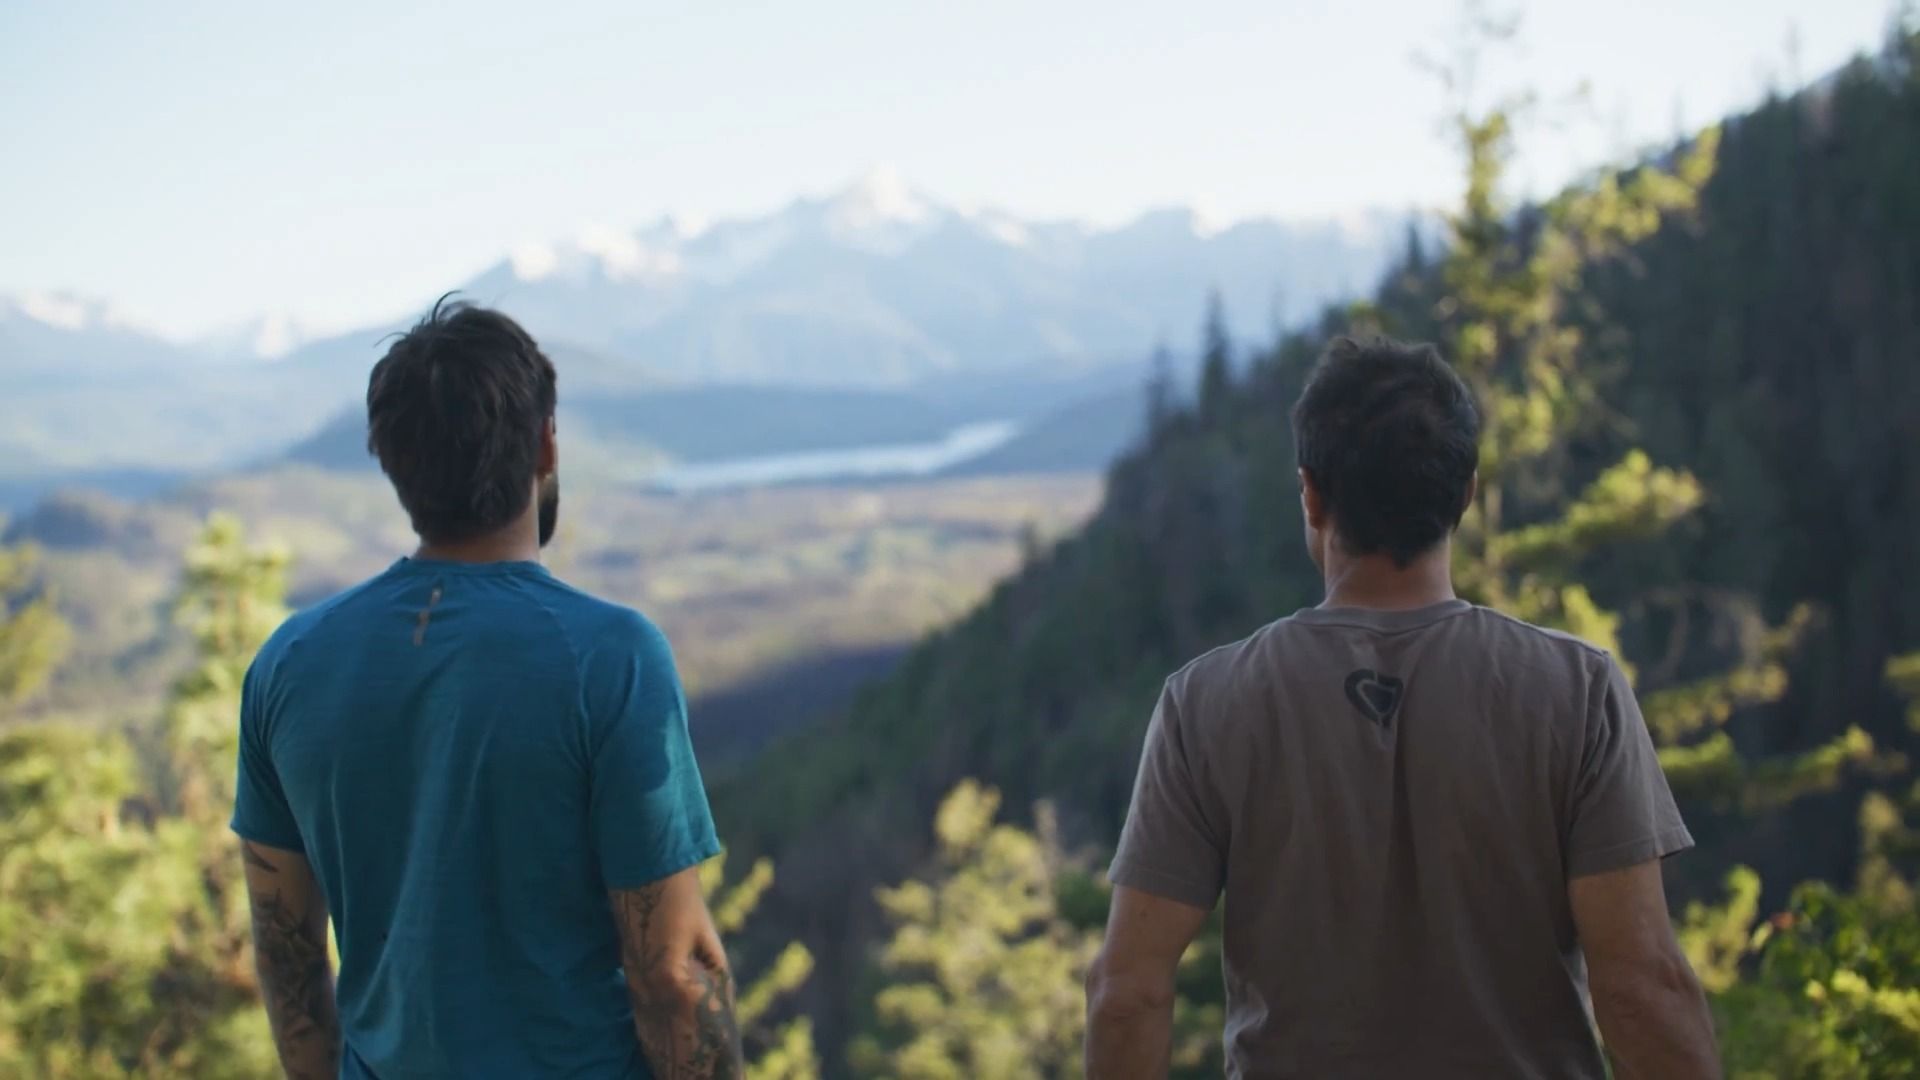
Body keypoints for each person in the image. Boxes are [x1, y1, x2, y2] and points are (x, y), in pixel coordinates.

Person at [1084, 337, 1720, 1078]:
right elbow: (1641, 985)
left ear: (1312, 495)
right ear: (1466, 494)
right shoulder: (1576, 689)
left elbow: (1126, 991)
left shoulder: (1207, 701)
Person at [231, 298, 743, 1079]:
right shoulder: (610, 657)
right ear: (544, 445)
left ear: (392, 459)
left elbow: (289, 959)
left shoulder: (288, 665)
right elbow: (673, 973)